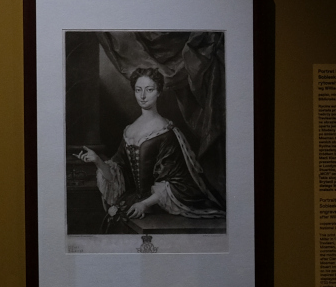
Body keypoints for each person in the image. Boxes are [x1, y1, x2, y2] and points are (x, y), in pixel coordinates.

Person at [73, 66, 223, 230]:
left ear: (159, 92)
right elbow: (119, 175)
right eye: (138, 90)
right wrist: (97, 161)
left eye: (149, 90)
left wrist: (144, 204)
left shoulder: (166, 132)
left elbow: (178, 182)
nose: (143, 96)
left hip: (158, 207)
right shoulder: (129, 130)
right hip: (131, 201)